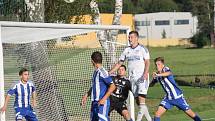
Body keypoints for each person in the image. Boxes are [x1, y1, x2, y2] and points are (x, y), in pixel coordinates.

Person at [109, 31, 152, 121]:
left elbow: (147, 62)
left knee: (141, 101)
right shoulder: (126, 50)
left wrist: (145, 74)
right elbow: (119, 63)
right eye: (129, 37)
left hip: (141, 78)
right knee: (139, 103)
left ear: (136, 38)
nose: (129, 39)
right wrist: (110, 72)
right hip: (132, 79)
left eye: (131, 37)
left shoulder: (142, 49)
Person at [150, 57, 202, 121]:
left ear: (163, 64)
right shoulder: (157, 75)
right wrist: (150, 80)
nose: (157, 66)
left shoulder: (165, 69)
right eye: (156, 65)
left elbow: (169, 73)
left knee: (192, 115)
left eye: (159, 64)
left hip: (178, 97)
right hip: (168, 99)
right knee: (157, 115)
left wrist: (158, 75)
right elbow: (151, 85)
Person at [81, 51, 116, 121]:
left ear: (92, 61)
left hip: (102, 103)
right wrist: (86, 95)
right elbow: (95, 86)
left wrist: (104, 99)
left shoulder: (103, 72)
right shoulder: (96, 72)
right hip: (94, 102)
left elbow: (113, 86)